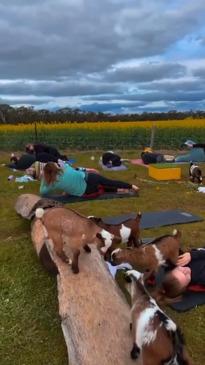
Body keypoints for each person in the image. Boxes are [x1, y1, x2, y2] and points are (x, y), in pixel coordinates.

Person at [40, 162, 139, 197]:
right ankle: (131, 186)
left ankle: (120, 190)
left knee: (102, 187)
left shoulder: (53, 183)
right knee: (108, 182)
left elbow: (42, 192)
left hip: (86, 191)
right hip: (89, 178)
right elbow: (77, 169)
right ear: (56, 167)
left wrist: (44, 179)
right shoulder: (66, 168)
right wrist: (90, 169)